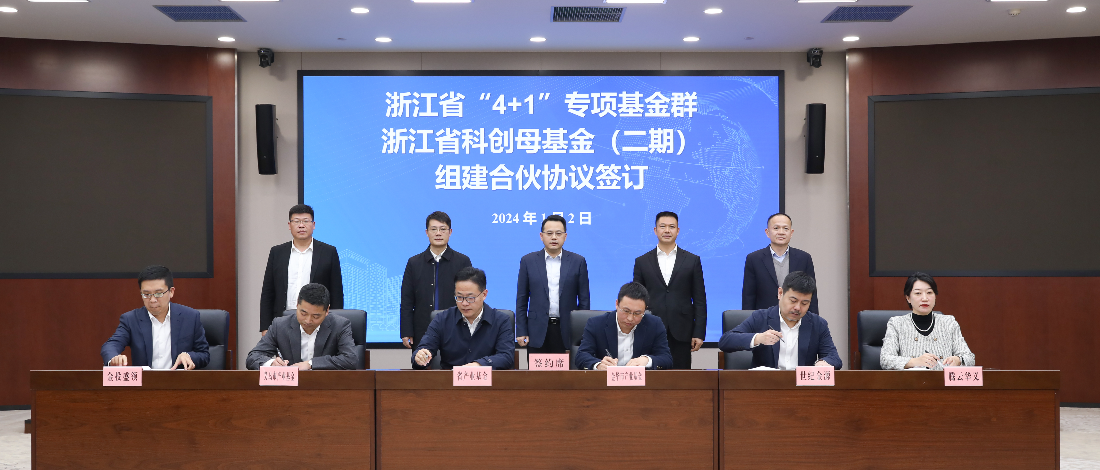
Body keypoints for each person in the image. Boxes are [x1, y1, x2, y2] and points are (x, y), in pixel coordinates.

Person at [718, 271, 841, 369]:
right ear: (780, 293)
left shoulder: (818, 324)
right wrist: (758, 338)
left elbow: (834, 358)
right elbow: (726, 341)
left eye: (804, 303)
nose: (797, 308)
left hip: (802, 388)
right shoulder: (761, 318)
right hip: (767, 386)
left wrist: (823, 362)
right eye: (793, 301)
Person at [632, 211, 706, 369]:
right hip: (650, 328)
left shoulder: (692, 260)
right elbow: (636, 299)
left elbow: (700, 300)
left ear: (678, 231)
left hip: (682, 330)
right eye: (662, 226)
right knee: (651, 376)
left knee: (680, 378)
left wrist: (699, 333)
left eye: (671, 227)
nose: (667, 230)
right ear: (655, 230)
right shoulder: (642, 261)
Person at [101, 265, 210, 370]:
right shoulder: (131, 319)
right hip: (146, 381)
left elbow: (204, 354)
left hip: (179, 380)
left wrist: (189, 356)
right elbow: (111, 345)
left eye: (158, 293)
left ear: (171, 292)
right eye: (146, 294)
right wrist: (114, 358)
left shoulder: (190, 317)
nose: (152, 300)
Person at [259, 204, 344, 335]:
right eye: (296, 221)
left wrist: (335, 327)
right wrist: (265, 327)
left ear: (313, 225)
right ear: (289, 225)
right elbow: (267, 292)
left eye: (306, 221)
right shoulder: (277, 252)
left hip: (317, 323)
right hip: (283, 321)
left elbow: (336, 293)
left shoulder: (328, 252)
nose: (301, 225)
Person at [515, 214, 591, 354]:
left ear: (565, 236)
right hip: (536, 331)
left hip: (567, 331)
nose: (554, 237)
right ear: (541, 236)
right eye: (549, 233)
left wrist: (581, 332)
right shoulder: (528, 261)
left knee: (567, 369)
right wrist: (521, 330)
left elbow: (584, 301)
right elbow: (522, 300)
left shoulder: (578, 261)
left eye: (558, 233)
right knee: (537, 369)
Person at [413, 267, 515, 370]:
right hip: (450, 378)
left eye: (470, 298)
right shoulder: (442, 319)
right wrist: (420, 356)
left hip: (488, 379)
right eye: (459, 297)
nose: (464, 303)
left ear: (484, 294)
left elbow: (506, 356)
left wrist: (478, 365)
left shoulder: (501, 320)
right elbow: (425, 347)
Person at [401, 211, 472, 349]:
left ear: (450, 232)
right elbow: (407, 300)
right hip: (422, 330)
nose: (438, 233)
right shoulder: (414, 263)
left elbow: (470, 297)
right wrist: (406, 331)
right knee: (423, 362)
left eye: (443, 229)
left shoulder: (462, 261)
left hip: (456, 328)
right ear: (427, 232)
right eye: (434, 229)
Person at [246, 283, 358, 370]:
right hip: (290, 389)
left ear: (327, 310)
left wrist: (311, 364)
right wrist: (271, 363)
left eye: (316, 316)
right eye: (303, 313)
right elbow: (253, 357)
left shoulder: (340, 325)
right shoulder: (279, 325)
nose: (308, 321)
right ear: (297, 305)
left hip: (326, 386)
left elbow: (351, 359)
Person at [880, 272, 975, 370]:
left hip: (942, 379)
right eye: (918, 293)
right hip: (910, 380)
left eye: (929, 293)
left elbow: (969, 357)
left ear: (935, 296)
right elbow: (885, 360)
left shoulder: (948, 322)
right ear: (908, 298)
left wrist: (958, 360)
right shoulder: (897, 324)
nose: (925, 298)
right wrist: (914, 361)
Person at [575, 282, 673, 370]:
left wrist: (647, 360)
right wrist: (599, 365)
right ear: (617, 304)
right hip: (605, 382)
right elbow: (581, 356)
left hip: (640, 382)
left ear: (645, 310)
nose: (630, 318)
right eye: (626, 311)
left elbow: (666, 358)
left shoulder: (654, 324)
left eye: (637, 313)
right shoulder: (596, 324)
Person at [742, 213, 818, 314]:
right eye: (776, 228)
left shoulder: (804, 258)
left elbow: (811, 294)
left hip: (796, 316)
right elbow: (749, 296)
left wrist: (814, 321)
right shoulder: (754, 259)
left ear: (791, 233)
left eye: (785, 228)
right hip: (764, 318)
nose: (781, 232)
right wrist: (749, 321)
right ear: (767, 232)